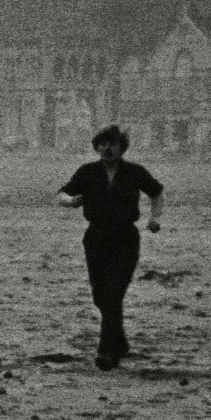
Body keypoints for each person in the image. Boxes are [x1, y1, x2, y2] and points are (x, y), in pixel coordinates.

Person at [59, 125, 166, 368]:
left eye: (113, 144)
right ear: (96, 147)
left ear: (122, 148)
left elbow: (157, 193)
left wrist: (155, 218)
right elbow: (62, 194)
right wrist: (71, 201)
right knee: (100, 294)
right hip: (96, 237)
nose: (107, 148)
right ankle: (120, 340)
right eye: (103, 144)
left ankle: (107, 352)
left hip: (125, 237)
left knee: (114, 292)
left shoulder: (134, 172)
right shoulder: (88, 172)